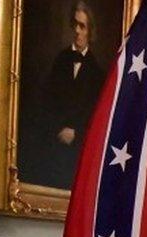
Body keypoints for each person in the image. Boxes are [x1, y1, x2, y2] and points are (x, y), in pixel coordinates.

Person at [39, 1, 104, 189]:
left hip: (79, 151)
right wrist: (58, 129)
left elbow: (96, 116)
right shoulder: (59, 62)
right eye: (75, 24)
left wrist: (76, 132)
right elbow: (46, 103)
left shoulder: (98, 73)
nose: (77, 30)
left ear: (89, 31)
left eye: (82, 26)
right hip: (53, 145)